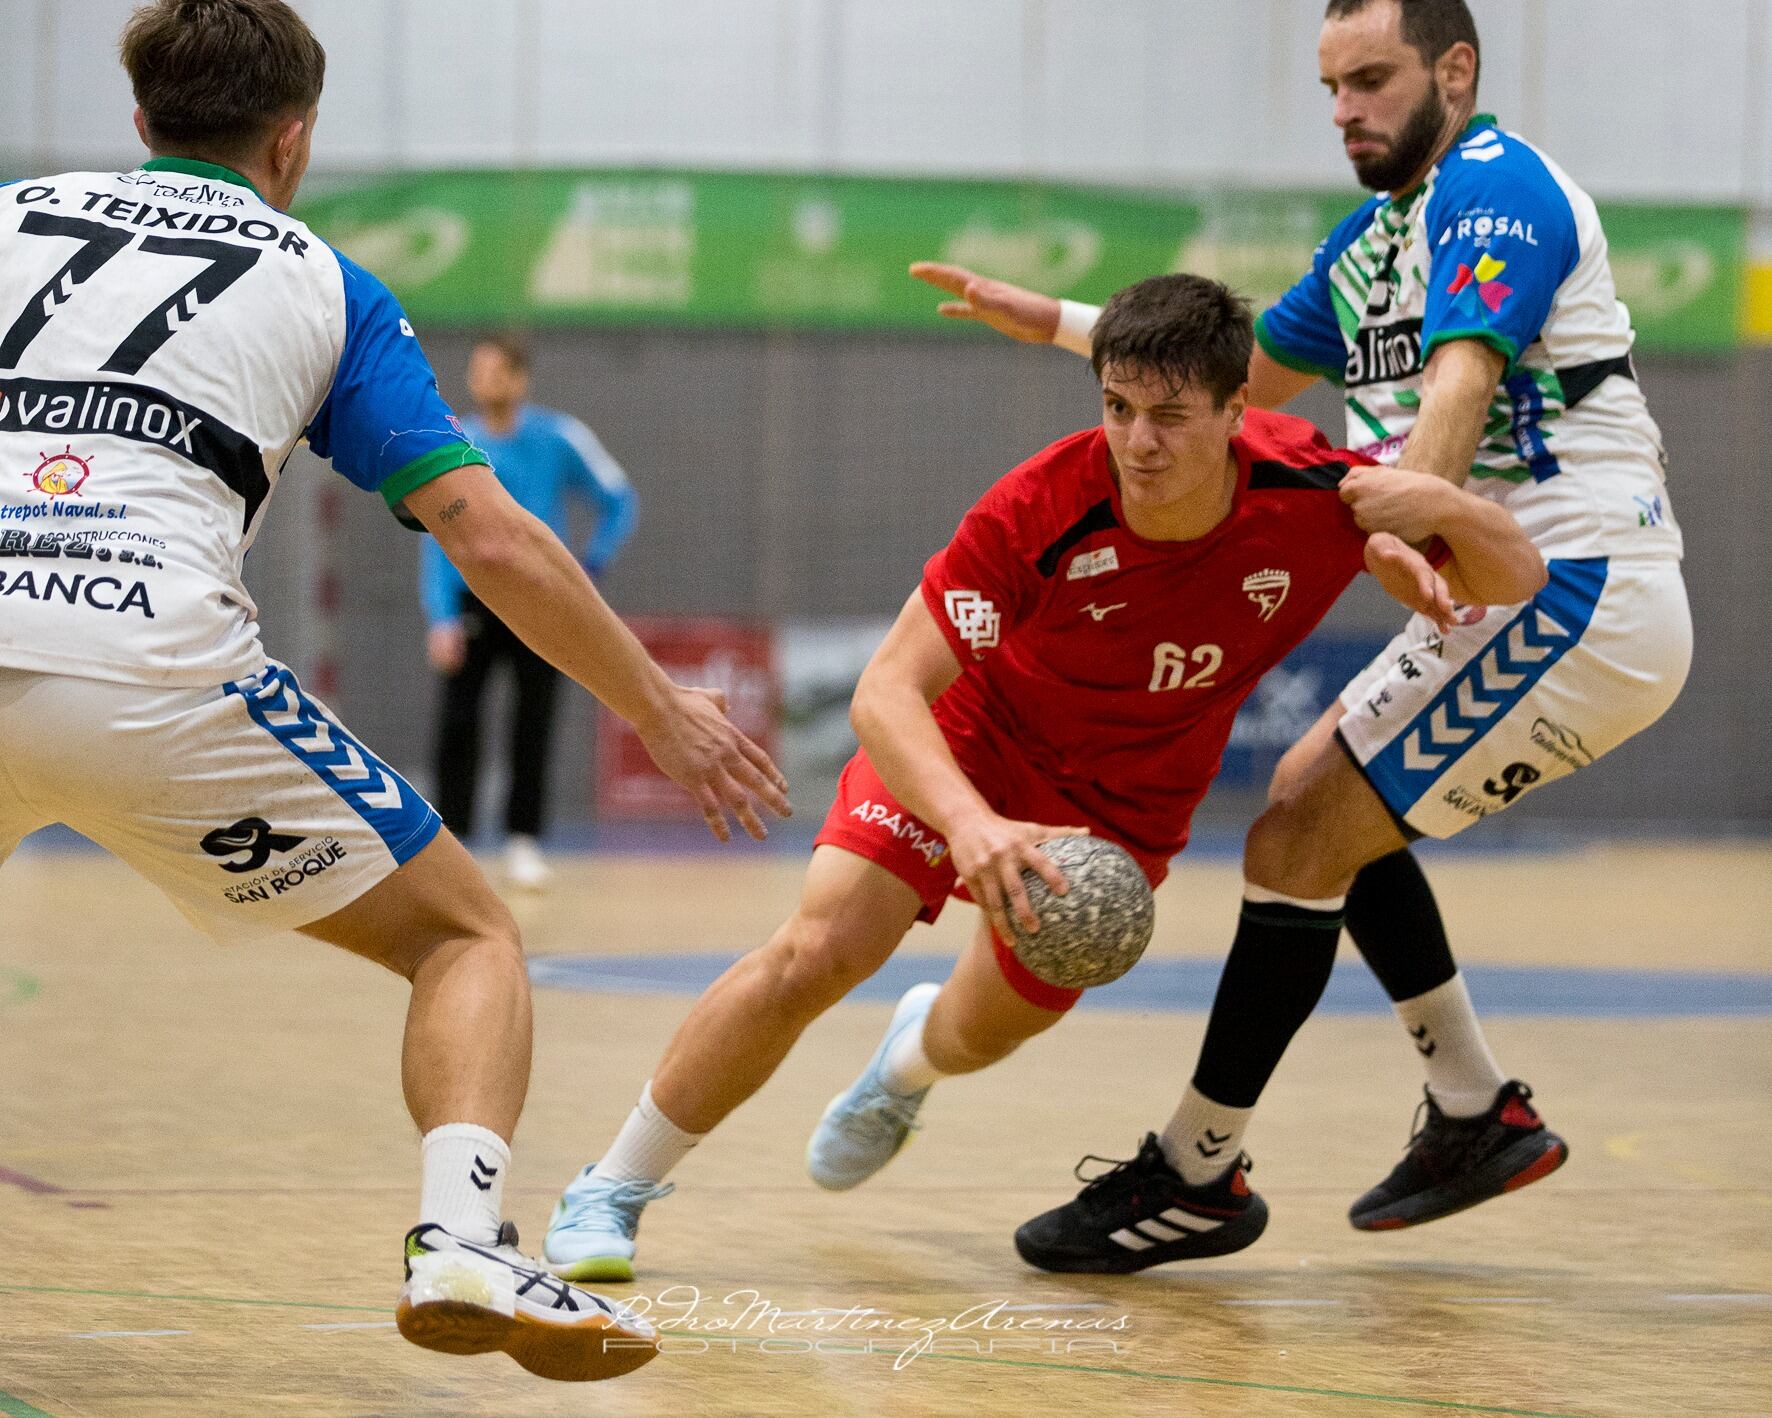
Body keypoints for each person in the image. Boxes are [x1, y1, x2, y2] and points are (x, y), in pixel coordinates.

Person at [0, 0, 788, 1379]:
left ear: (140, 124)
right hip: (153, 673)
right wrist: (659, 708)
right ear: (293, 138)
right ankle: (462, 1238)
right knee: (468, 936)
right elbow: (487, 536)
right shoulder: (323, 282)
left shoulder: (13, 217)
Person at [539, 273, 1546, 1281]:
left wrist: (1443, 505)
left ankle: (905, 1064)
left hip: (1122, 806)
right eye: (1116, 409)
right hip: (976, 741)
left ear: (1239, 410)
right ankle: (611, 1187)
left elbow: (1513, 580)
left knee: (984, 1028)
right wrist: (970, 821)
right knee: (820, 947)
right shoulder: (1042, 508)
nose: (1137, 442)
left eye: (1167, 415)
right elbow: (885, 693)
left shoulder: (1319, 496)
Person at [910, 0, 1691, 1272]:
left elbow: (1460, 378)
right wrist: (1054, 319)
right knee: (1311, 802)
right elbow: (1239, 381)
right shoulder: (1370, 241)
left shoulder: (1497, 190)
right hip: (1496, 592)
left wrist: (1411, 527)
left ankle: (1196, 1170)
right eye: (1329, 87)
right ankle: (1471, 1108)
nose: (1345, 112)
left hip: (1574, 589)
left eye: (1371, 80)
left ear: (1453, 70)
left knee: (1297, 829)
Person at [421, 336, 639, 890]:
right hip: (473, 599)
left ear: (519, 379)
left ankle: (524, 841)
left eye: (496, 371)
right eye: (477, 370)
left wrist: (589, 567)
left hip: (543, 601)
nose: (483, 380)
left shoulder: (559, 436)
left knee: (534, 720)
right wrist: (441, 616)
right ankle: (456, 844)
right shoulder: (454, 439)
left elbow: (618, 498)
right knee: (459, 722)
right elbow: (432, 536)